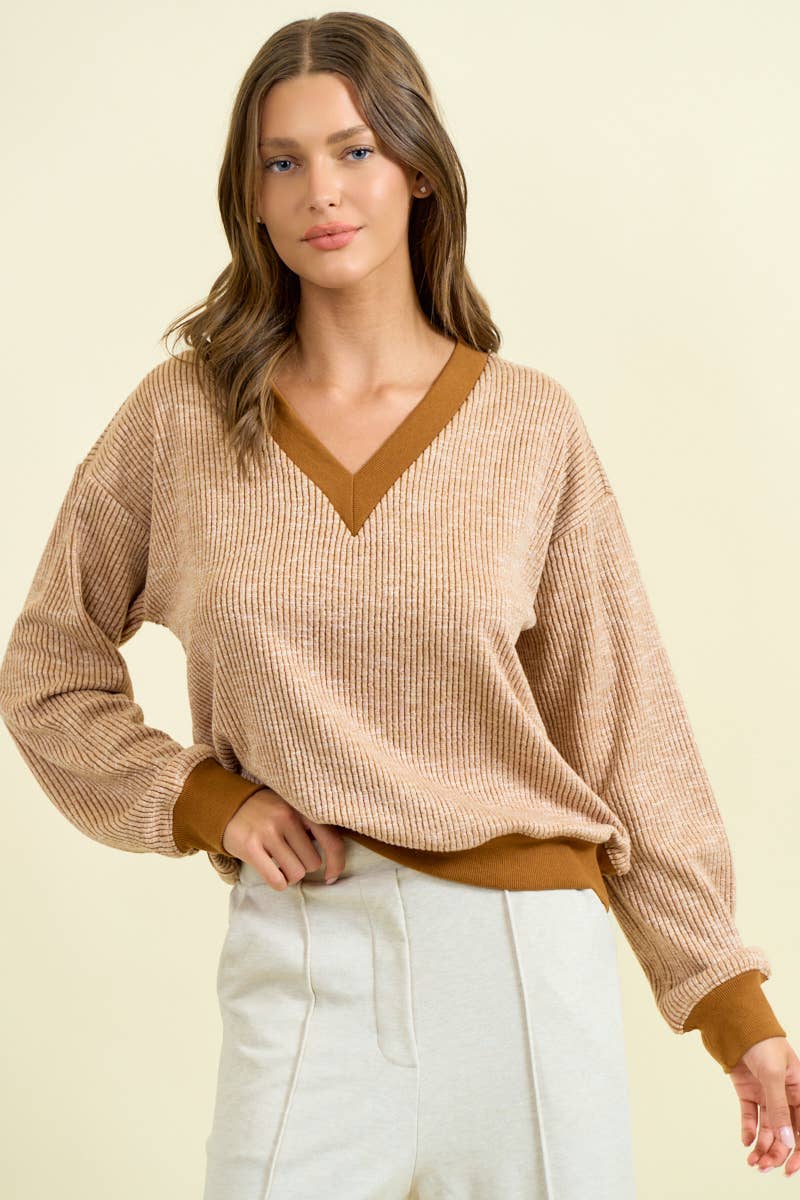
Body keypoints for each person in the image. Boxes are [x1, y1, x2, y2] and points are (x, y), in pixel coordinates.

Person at [0, 11, 797, 1196]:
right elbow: (46, 670)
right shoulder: (180, 422)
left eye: (354, 150)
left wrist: (732, 1005)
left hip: (525, 969)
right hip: (302, 950)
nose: (320, 190)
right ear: (251, 196)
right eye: (282, 161)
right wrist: (206, 800)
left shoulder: (528, 425)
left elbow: (623, 724)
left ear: (416, 169)